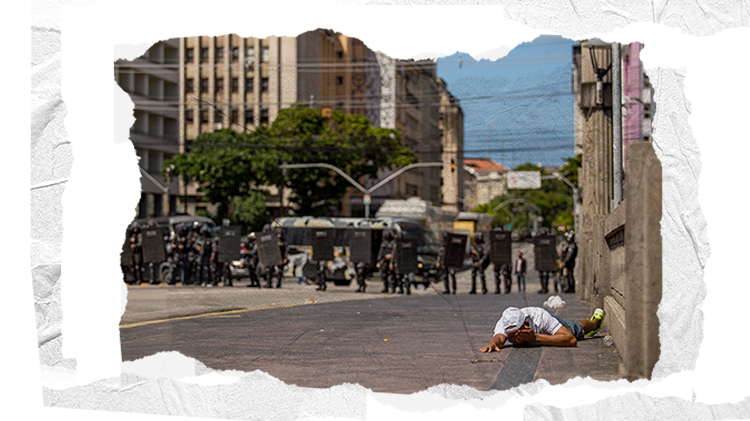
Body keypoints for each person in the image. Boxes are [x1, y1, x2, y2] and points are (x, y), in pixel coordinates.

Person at [479, 306, 605, 351]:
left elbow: (571, 340)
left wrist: (535, 337)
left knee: (575, 328)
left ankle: (594, 323)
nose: (516, 337)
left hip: (548, 326)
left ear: (526, 322)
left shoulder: (540, 317)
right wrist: (492, 344)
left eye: (518, 331)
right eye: (511, 334)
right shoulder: (504, 323)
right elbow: (499, 339)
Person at [376, 229, 396, 293]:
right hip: (384, 261)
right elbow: (380, 252)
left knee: (392, 275)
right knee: (384, 275)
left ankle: (393, 288)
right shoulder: (384, 243)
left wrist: (391, 262)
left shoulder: (393, 243)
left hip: (392, 261)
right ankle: (385, 288)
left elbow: (394, 253)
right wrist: (378, 261)